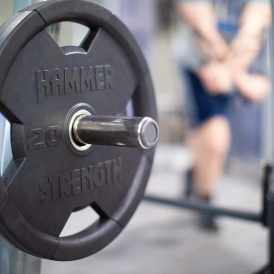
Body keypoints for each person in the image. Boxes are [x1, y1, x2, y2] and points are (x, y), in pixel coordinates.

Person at [174, 0, 271, 230]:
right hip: (197, 63)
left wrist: (231, 72)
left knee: (209, 135)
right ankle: (204, 198)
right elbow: (197, 19)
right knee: (214, 135)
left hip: (233, 67)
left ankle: (196, 178)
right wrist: (221, 58)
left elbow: (255, 26)